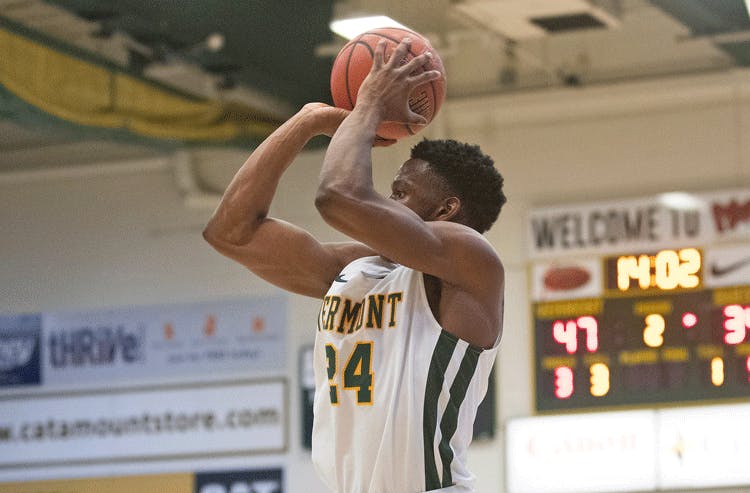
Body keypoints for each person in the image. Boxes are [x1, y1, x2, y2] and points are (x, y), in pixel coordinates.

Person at [203, 38, 506, 493]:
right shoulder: (357, 269)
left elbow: (339, 196)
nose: (385, 201)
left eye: (400, 194)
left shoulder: (470, 260)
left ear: (446, 211)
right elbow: (231, 231)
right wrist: (306, 122)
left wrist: (367, 105)